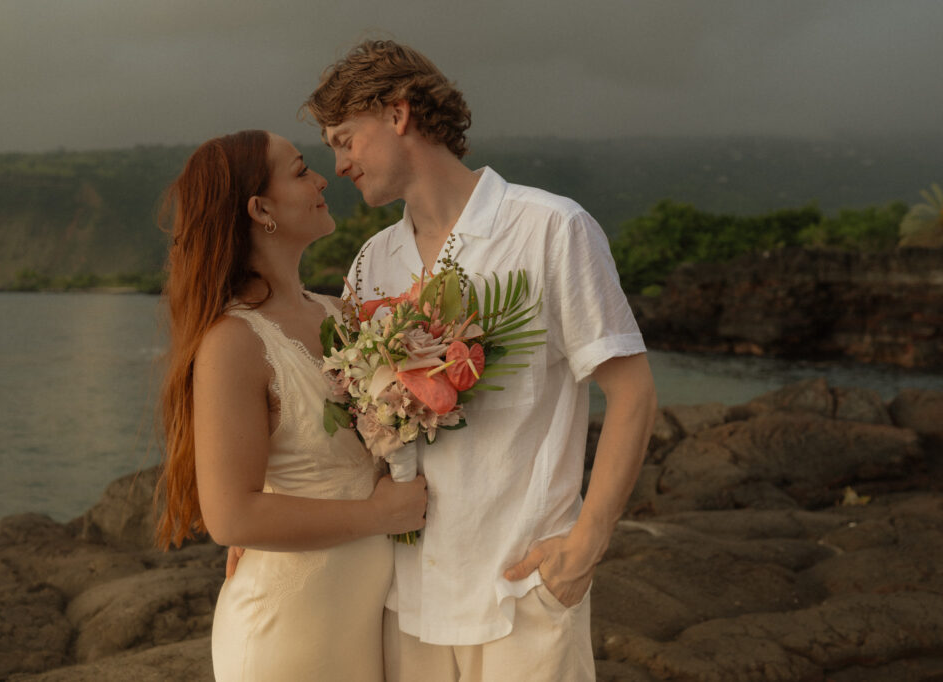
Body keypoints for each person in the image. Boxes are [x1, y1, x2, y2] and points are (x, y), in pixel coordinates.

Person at [305, 40, 659, 681]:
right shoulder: (372, 262)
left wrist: (587, 542)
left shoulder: (551, 227)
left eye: (344, 139)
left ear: (397, 113)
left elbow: (631, 390)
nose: (338, 164)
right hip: (403, 600)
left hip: (521, 593)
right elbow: (351, 426)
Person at [154, 129, 428, 681]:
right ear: (261, 209)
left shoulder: (339, 315)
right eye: (301, 169)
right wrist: (381, 514)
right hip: (288, 632)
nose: (324, 177)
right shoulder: (234, 341)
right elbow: (232, 515)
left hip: (361, 620)